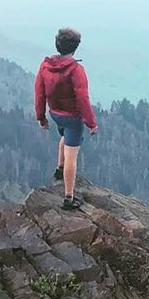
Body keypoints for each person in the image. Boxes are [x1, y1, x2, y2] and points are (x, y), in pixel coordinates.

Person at [34, 28, 99, 210]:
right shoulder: (76, 70)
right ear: (76, 47)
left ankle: (60, 169)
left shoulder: (45, 66)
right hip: (72, 118)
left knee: (65, 138)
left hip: (55, 114)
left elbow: (39, 93)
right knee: (72, 155)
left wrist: (41, 117)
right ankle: (69, 198)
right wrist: (91, 123)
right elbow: (82, 99)